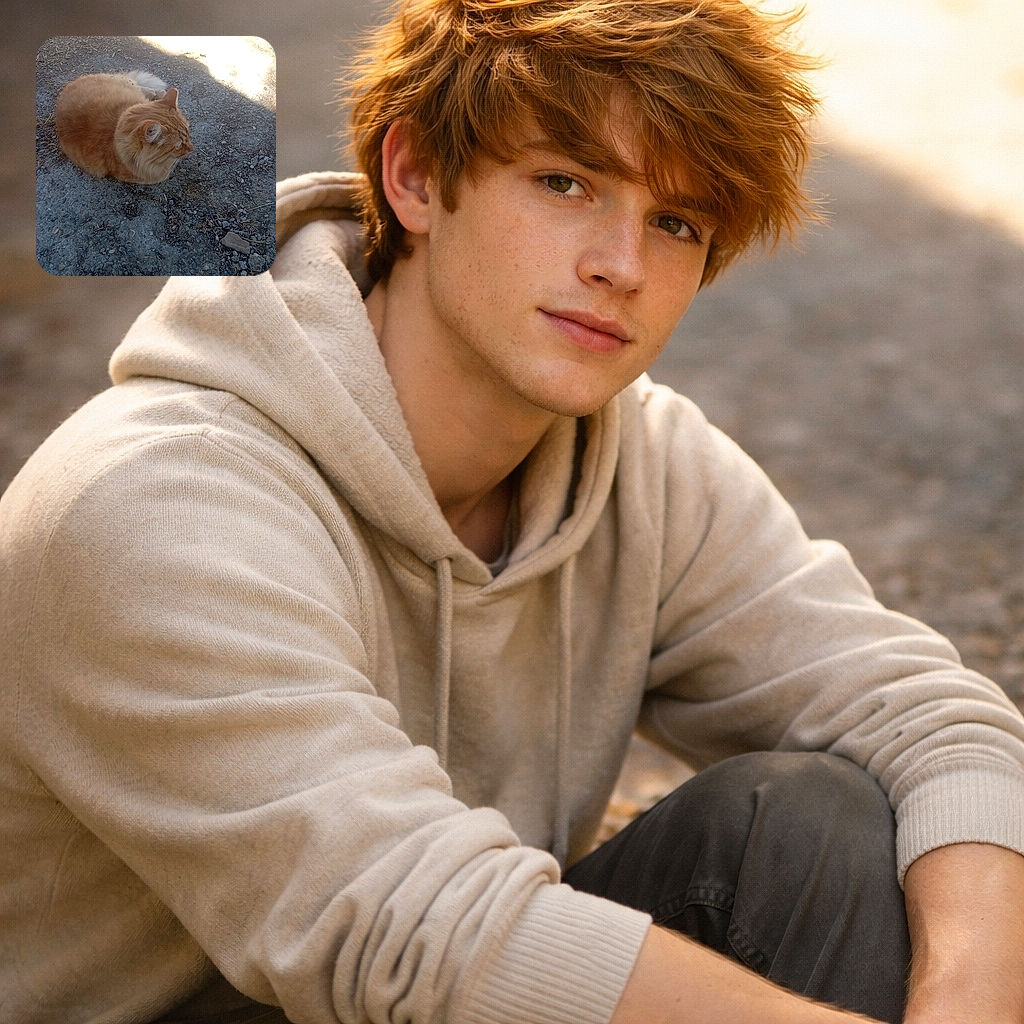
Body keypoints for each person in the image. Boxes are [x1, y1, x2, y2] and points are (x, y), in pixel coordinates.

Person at [2, 0, 1024, 1021]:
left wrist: (967, 1002)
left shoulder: (641, 464)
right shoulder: (151, 506)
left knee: (818, 826)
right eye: (564, 182)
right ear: (415, 178)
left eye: (675, 223)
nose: (621, 265)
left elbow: (931, 718)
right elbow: (409, 928)